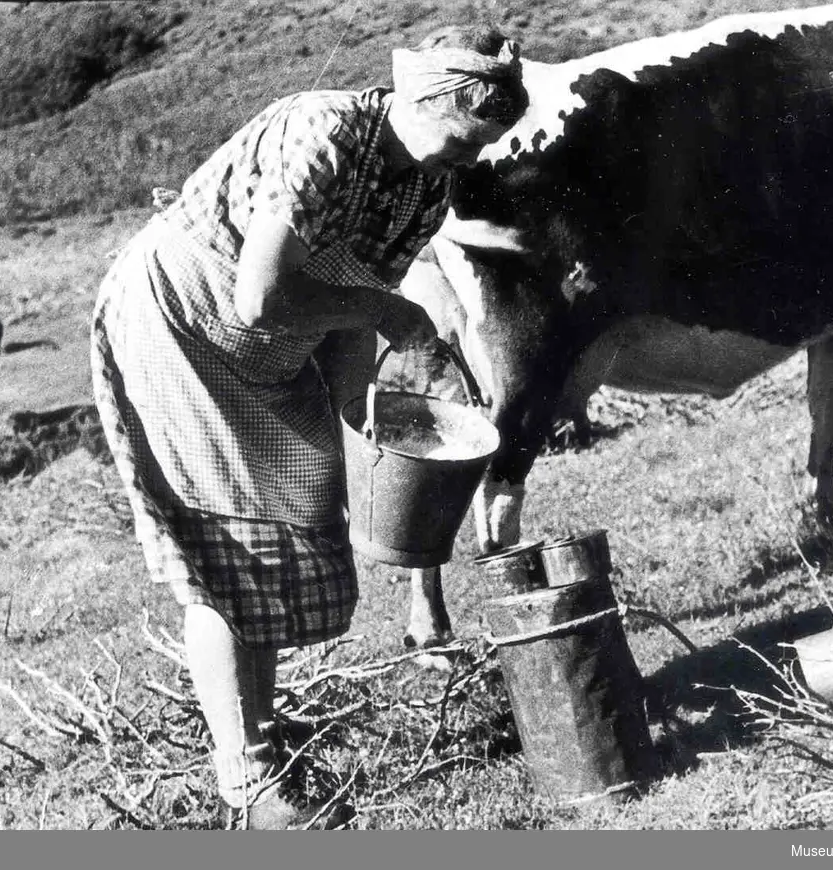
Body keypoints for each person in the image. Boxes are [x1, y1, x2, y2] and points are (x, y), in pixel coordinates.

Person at [90, 25, 527, 830]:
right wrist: (390, 308)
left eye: (482, 149)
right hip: (185, 319)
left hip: (271, 345)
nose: (466, 164)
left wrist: (359, 423)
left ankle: (262, 746)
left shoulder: (425, 189)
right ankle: (251, 784)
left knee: (292, 530)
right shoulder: (323, 135)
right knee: (227, 549)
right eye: (464, 141)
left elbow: (350, 310)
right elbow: (259, 295)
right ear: (424, 100)